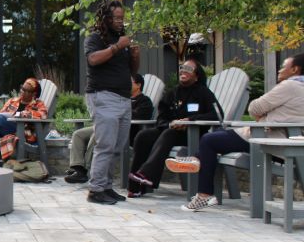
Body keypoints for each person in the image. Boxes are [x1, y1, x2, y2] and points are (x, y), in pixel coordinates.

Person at [167, 53, 304, 211]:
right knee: (213, 138)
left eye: (283, 67)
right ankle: (196, 160)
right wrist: (267, 116)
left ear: (294, 69)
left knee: (209, 140)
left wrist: (264, 117)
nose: (279, 70)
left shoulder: (290, 86)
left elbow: (254, 108)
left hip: (267, 140)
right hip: (283, 139)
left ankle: (204, 194)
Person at [127, 59, 219, 198]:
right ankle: (136, 186)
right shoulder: (172, 93)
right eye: (182, 68)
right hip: (171, 131)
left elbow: (217, 114)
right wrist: (172, 123)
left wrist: (190, 120)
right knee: (143, 136)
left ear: (197, 75)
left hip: (193, 135)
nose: (183, 71)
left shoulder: (203, 92)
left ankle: (146, 173)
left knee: (169, 134)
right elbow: (161, 118)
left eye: (189, 69)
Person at [83, 0, 140, 204]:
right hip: (103, 96)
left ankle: (106, 186)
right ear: (106, 18)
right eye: (116, 18)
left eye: (122, 18)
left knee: (118, 146)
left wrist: (134, 56)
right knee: (105, 145)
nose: (120, 21)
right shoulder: (95, 38)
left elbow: (132, 71)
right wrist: (117, 47)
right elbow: (93, 60)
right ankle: (95, 190)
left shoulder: (121, 39)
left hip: (124, 99)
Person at [65, 73, 154, 183]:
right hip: (108, 127)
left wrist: (117, 114)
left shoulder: (144, 101)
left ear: (138, 85)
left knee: (97, 133)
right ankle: (77, 167)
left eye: (128, 82)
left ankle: (85, 171)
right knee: (78, 134)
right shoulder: (121, 99)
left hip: (125, 133)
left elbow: (139, 116)